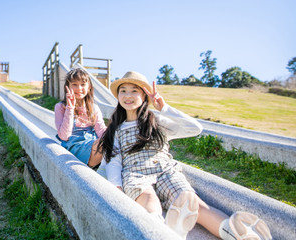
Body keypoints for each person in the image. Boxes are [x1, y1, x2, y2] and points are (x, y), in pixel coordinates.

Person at [98, 71, 272, 240]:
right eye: (123, 91)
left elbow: (194, 128)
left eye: (134, 91)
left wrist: (164, 108)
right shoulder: (116, 129)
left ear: (144, 96)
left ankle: (236, 232)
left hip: (165, 171)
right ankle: (158, 232)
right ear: (118, 96)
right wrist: (117, 188)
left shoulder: (156, 121)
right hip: (135, 174)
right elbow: (114, 160)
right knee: (149, 200)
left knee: (194, 204)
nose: (128, 95)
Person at [54, 68, 106, 168]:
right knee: (104, 143)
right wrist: (70, 108)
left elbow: (101, 131)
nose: (79, 88)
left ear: (89, 87)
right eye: (74, 84)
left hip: (92, 145)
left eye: (83, 84)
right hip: (73, 147)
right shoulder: (61, 107)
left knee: (110, 139)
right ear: (67, 87)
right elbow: (64, 137)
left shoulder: (94, 108)